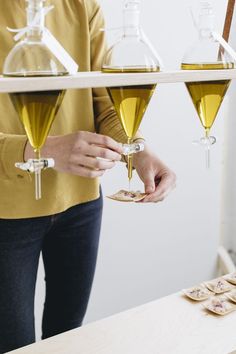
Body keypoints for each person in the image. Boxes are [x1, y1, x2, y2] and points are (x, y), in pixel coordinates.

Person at [0, 0, 176, 352]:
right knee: (13, 345)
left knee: (69, 338)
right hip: (7, 215)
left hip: (80, 206)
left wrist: (136, 148)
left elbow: (104, 102)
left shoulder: (82, 6)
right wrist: (45, 149)